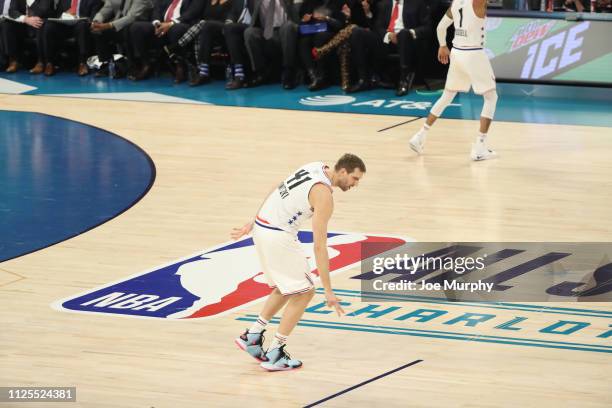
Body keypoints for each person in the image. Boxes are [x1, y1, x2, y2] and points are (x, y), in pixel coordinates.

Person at [231, 153, 366, 371]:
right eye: (355, 179)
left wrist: (253, 220)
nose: (355, 184)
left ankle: (253, 335)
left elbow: (277, 190)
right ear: (343, 172)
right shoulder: (324, 196)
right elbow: (320, 246)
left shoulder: (315, 166)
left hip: (263, 227)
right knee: (305, 291)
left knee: (287, 288)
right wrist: (329, 291)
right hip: (278, 235)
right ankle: (275, 353)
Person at [409, 0, 498, 161]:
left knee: (447, 96)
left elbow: (441, 27)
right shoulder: (479, 2)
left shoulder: (456, 2)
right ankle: (480, 146)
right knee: (491, 97)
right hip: (474, 53)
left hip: (457, 53)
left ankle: (420, 135)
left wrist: (442, 45)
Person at [40, 0, 103, 76]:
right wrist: (64, 15)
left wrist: (77, 17)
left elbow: (94, 18)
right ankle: (49, 63)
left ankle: (82, 63)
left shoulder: (93, 1)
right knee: (48, 26)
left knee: (82, 26)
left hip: (81, 26)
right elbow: (58, 15)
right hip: (65, 26)